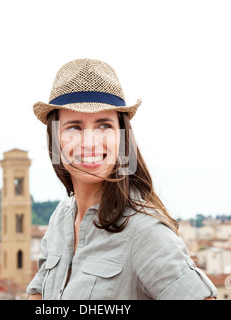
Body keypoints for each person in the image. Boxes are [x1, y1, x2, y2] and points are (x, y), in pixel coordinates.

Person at [27, 58, 217, 300]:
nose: (90, 142)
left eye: (104, 125)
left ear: (122, 137)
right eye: (73, 127)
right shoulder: (61, 218)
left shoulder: (144, 230)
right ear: (55, 139)